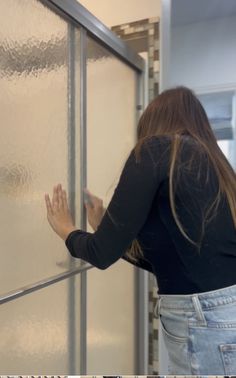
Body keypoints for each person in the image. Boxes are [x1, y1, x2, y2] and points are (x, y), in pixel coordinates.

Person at [45, 86, 236, 375]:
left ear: (152, 123)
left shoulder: (156, 149)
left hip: (203, 319)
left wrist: (66, 229)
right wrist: (102, 227)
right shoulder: (217, 166)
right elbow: (176, 261)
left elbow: (101, 253)